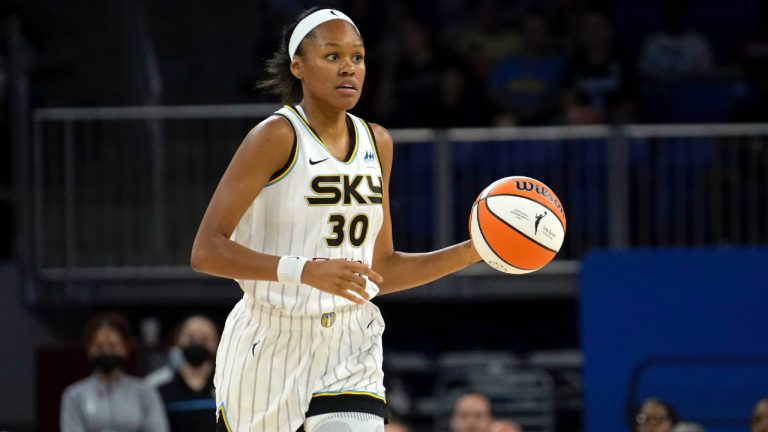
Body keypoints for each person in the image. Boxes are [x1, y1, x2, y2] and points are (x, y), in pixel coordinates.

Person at [190, 7, 481, 432]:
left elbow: (380, 270)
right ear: (298, 67)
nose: (349, 67)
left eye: (358, 57)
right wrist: (304, 271)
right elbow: (205, 251)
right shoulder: (276, 136)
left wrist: (474, 251)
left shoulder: (377, 141)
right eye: (332, 56)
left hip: (349, 340)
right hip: (272, 338)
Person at [60, 311, 169, 432]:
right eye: (99, 346)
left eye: (113, 346)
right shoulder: (74, 395)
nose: (106, 351)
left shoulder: (145, 392)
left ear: (125, 348)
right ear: (89, 349)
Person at [154, 315, 220, 432]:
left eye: (204, 339)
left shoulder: (227, 388)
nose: (197, 344)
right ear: (178, 340)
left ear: (216, 344)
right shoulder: (159, 388)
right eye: (191, 338)